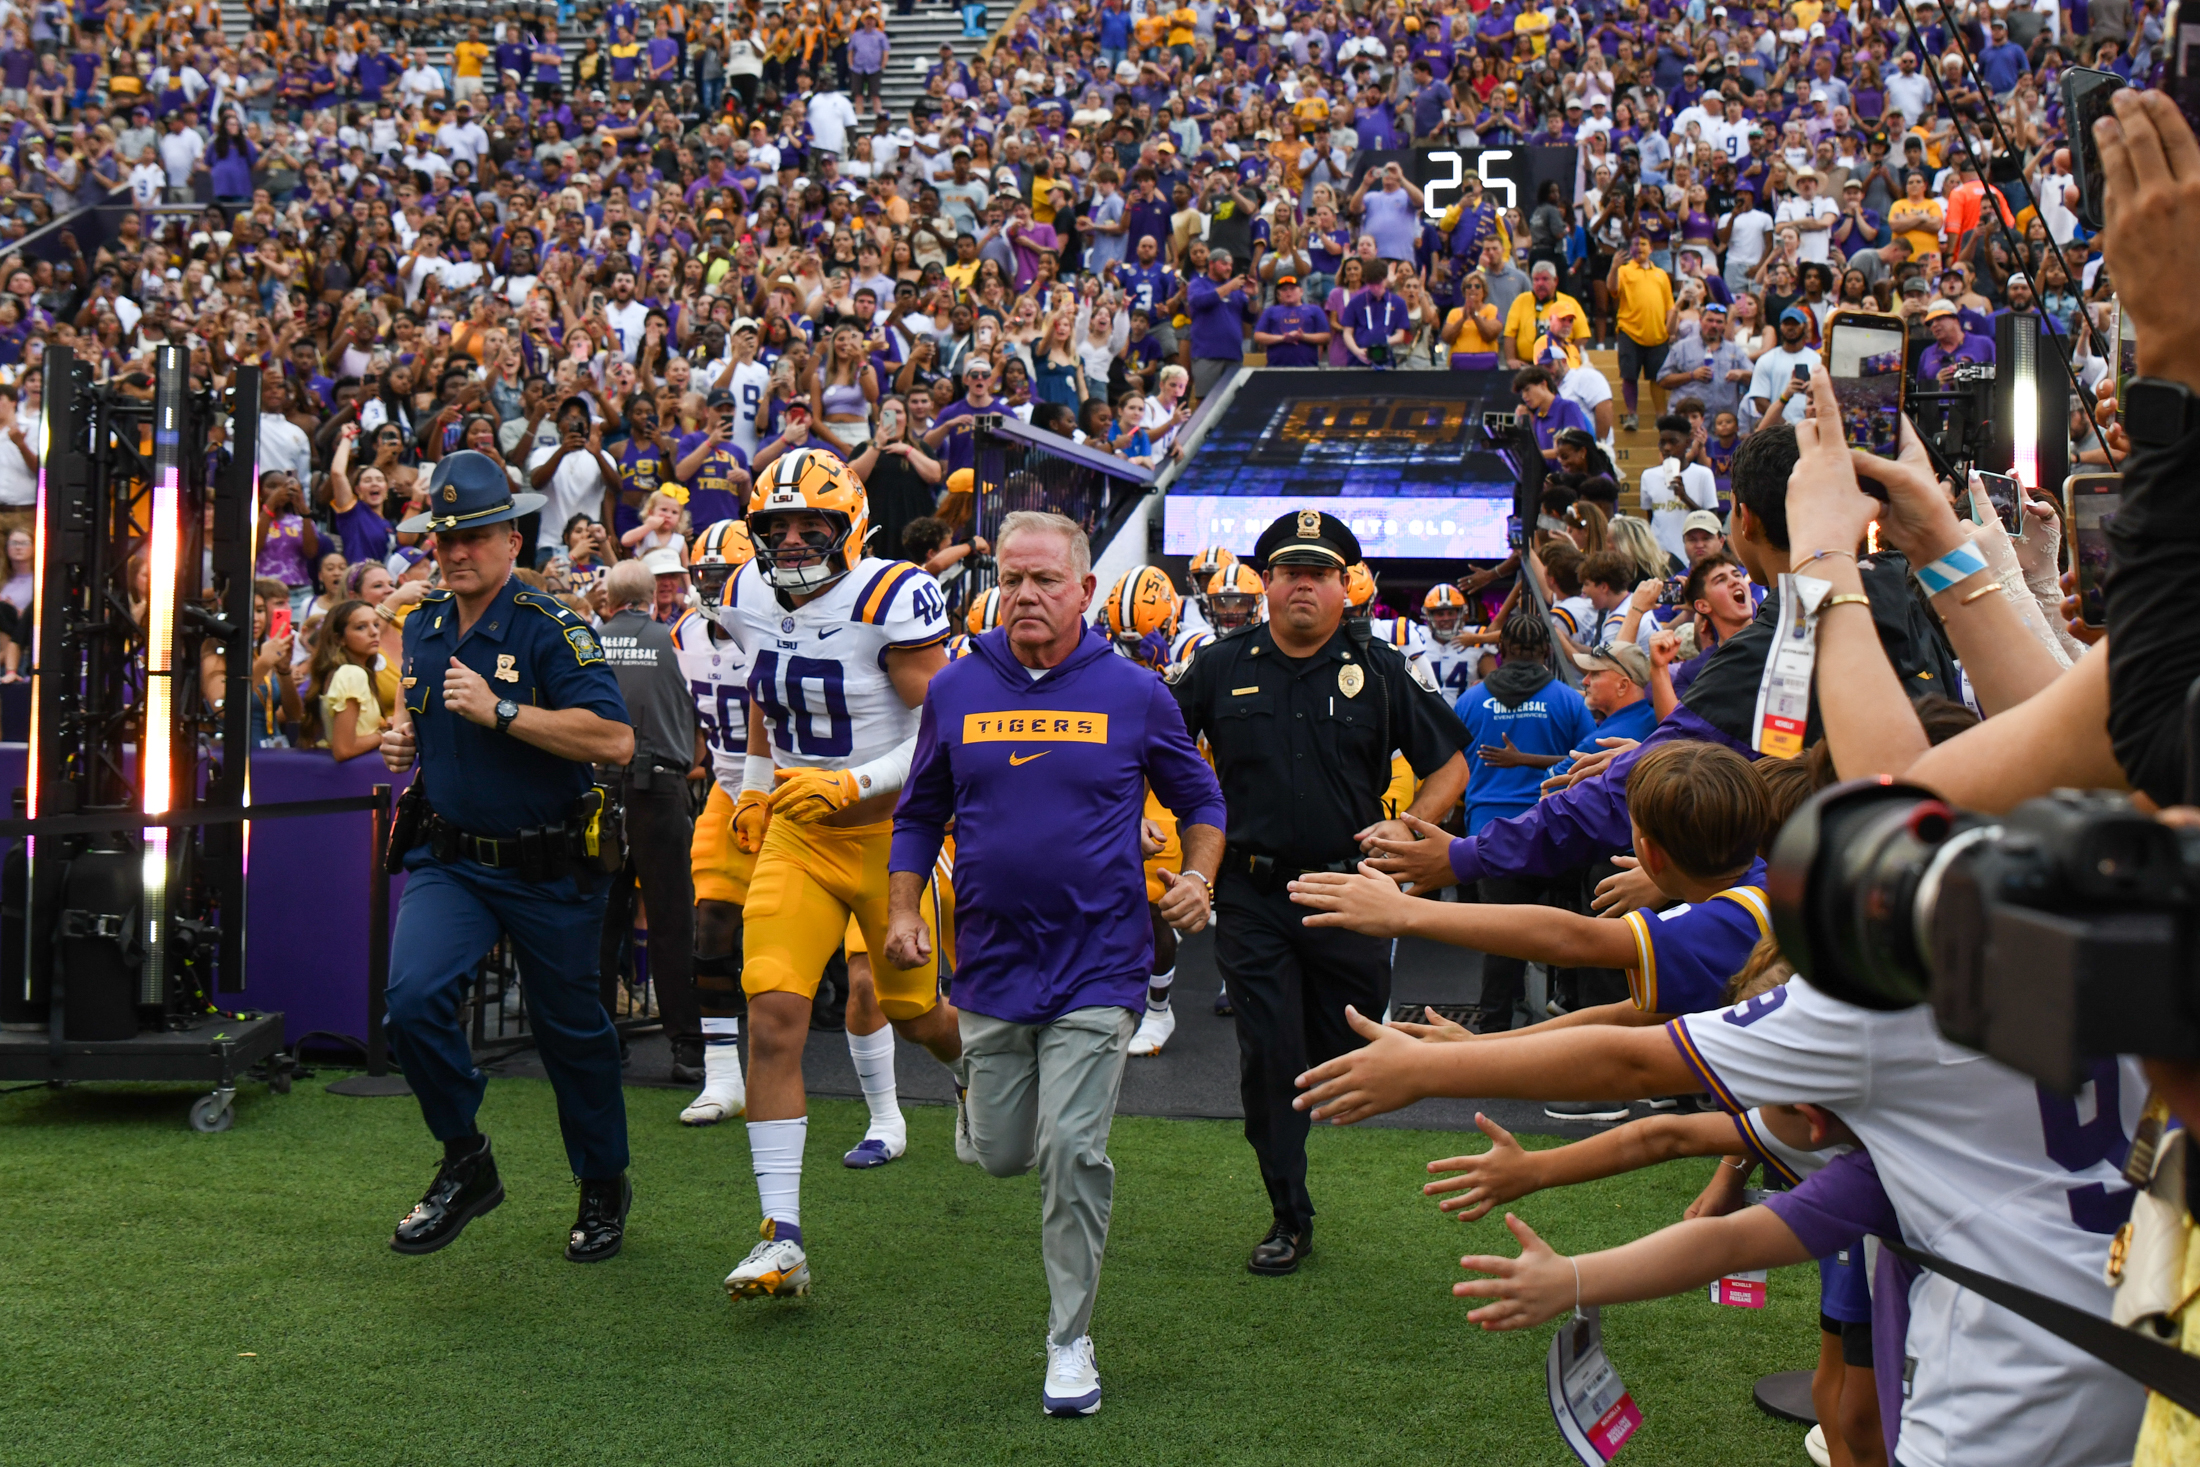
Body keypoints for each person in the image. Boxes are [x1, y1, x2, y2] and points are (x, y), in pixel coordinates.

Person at [887, 510, 1225, 1416]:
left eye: (1045, 579)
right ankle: (972, 1094)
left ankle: (1069, 1341)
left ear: (1083, 588)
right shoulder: (957, 689)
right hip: (992, 966)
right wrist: (902, 907)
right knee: (1002, 1156)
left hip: (1100, 966)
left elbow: (1203, 798)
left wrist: (1196, 875)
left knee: (1073, 1150)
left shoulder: (1135, 691)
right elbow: (920, 811)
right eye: (1012, 577)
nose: (1026, 594)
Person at [1168, 509, 1468, 1275]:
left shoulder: (1379, 669)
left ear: (1344, 586)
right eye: (1289, 572)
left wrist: (1413, 828)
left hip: (1348, 891)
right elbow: (1156, 745)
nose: (1303, 585)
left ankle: (1311, 1090)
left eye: (1320, 573)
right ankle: (1287, 1213)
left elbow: (1451, 763)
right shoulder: (1218, 663)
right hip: (1252, 890)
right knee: (1268, 1052)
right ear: (1264, 583)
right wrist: (1146, 818)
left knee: (1347, 1042)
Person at [375, 450, 638, 1264]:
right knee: (412, 1002)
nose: (456, 551)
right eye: (443, 537)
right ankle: (466, 1158)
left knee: (572, 1036)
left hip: (549, 864)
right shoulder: (420, 622)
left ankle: (602, 1182)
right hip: (451, 857)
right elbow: (417, 708)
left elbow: (615, 739)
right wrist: (401, 736)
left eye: (476, 535)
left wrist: (503, 710)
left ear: (512, 539)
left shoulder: (551, 625)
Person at [715, 448, 961, 1301]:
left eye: (808, 526)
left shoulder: (890, 596)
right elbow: (763, 690)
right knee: (774, 1012)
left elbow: (944, 729)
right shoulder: (746, 591)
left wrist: (854, 782)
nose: (788, 541)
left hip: (893, 834)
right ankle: (781, 1235)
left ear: (848, 526)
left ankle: (971, 1074)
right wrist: (752, 787)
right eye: (774, 526)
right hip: (796, 835)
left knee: (915, 1011)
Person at [1449, 611, 1594, 1033]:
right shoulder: (1568, 700)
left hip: (1489, 830)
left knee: (1501, 936)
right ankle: (1569, 1004)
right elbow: (1586, 760)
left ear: (1502, 651)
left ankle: (1494, 1027)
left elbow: (1453, 762)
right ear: (1546, 652)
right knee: (1570, 922)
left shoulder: (1471, 700)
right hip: (1553, 827)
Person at [593, 558, 703, 1085]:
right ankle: (686, 1046)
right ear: (650, 597)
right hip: (660, 785)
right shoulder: (675, 641)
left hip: (597, 787)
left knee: (601, 915)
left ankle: (598, 1037)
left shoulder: (586, 641)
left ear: (608, 600)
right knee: (671, 919)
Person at [670, 522, 755, 1124]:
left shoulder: (783, 626)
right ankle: (723, 1075)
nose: (715, 588)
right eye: (707, 576)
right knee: (712, 924)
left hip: (797, 790)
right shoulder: (682, 634)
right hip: (729, 792)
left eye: (726, 576)